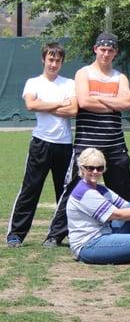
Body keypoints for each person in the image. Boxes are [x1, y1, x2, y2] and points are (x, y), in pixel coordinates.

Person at [43, 32, 130, 248]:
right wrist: (113, 101)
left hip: (115, 144)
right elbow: (84, 101)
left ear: (115, 53)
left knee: (123, 190)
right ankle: (55, 234)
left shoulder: (120, 77)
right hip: (88, 144)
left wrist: (100, 98)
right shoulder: (83, 73)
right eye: (102, 49)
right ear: (95, 49)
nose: (106, 53)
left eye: (110, 50)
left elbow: (127, 103)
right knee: (75, 189)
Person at [6, 43, 78, 247]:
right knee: (30, 189)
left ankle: (56, 236)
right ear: (43, 59)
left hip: (64, 145)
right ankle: (16, 234)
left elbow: (73, 110)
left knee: (65, 192)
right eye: (50, 59)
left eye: (58, 60)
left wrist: (45, 105)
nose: (54, 64)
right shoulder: (33, 82)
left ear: (62, 62)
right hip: (40, 143)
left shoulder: (69, 84)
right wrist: (58, 104)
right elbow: (31, 105)